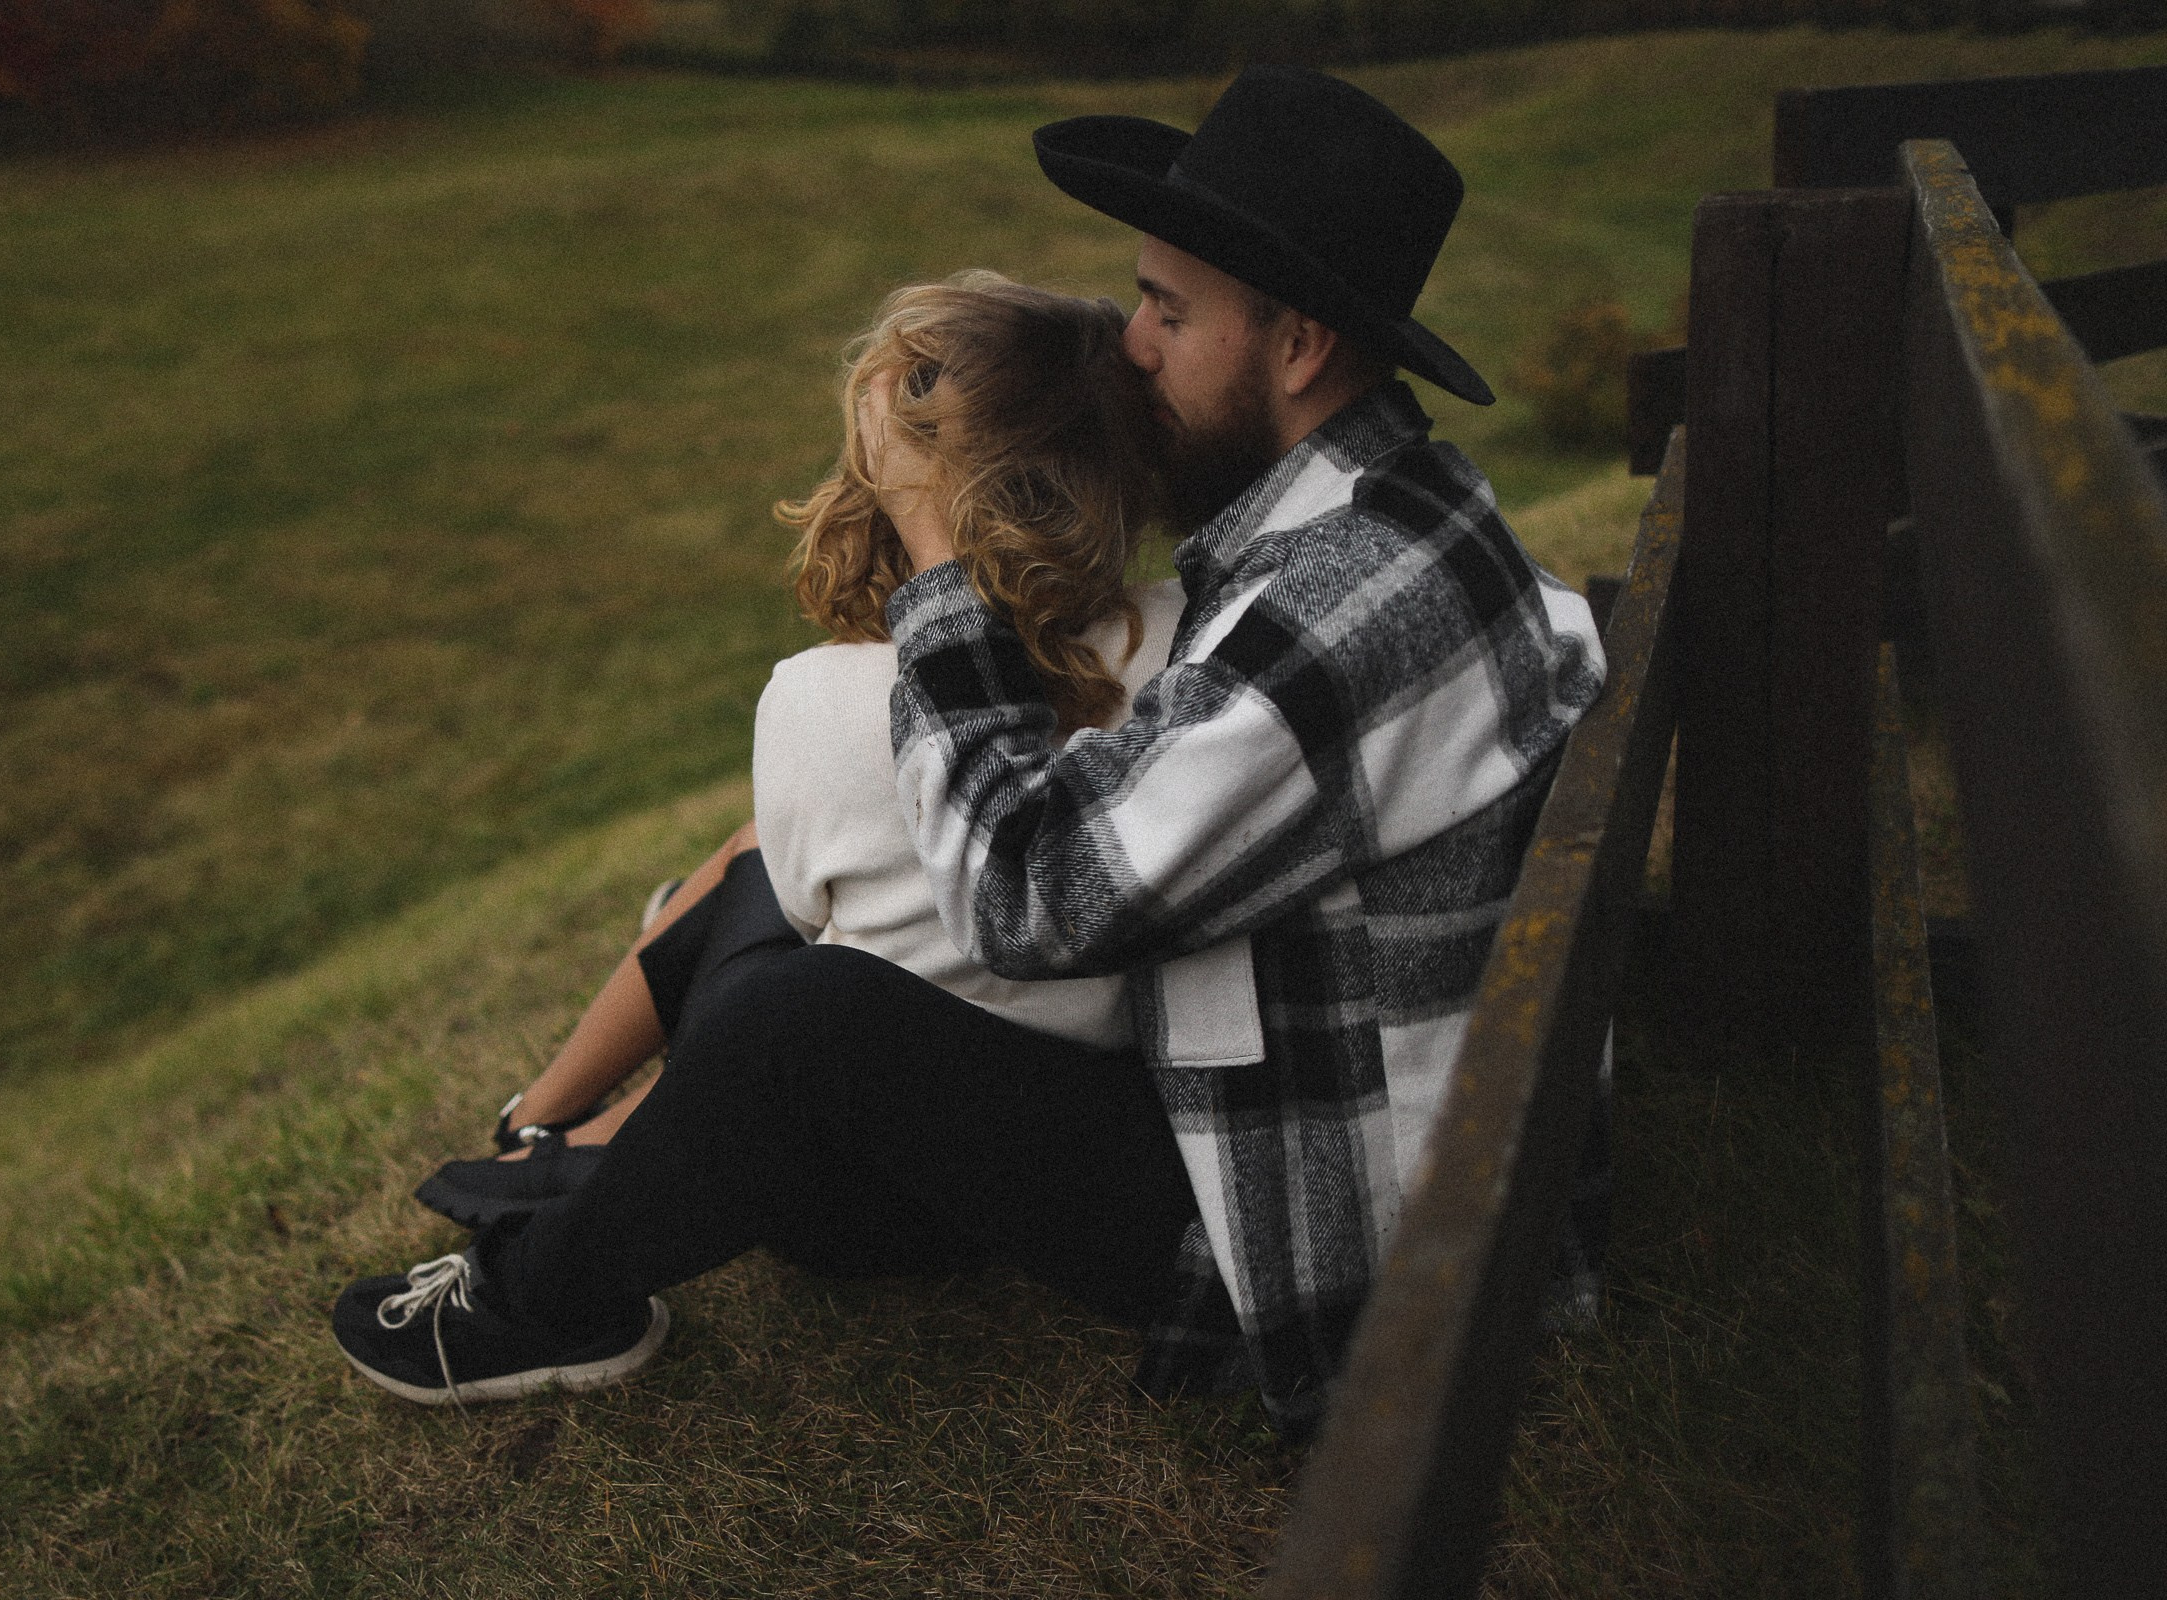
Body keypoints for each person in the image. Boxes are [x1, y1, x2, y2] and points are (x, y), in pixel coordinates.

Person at [332, 65, 1605, 1443]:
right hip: (1316, 1106)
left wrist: (939, 552)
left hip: (1318, 1234)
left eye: (1170, 312)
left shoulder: (1341, 609)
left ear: (1298, 347)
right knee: (792, 952)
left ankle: (539, 1299)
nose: (1129, 348)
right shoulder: (1395, 520)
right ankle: (591, 1156)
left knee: (798, 1027)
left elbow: (1031, 897)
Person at [334, 272, 1188, 1400]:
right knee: (784, 911)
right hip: (1064, 1141)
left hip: (868, 1198)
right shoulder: (1191, 646)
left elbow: (791, 917)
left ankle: (543, 1153)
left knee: (758, 920)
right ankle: (557, 1126)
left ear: (896, 483)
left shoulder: (825, 701)